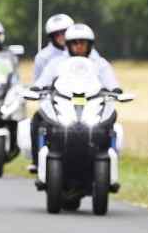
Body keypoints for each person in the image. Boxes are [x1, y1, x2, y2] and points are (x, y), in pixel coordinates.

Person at [30, 24, 119, 172]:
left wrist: (115, 89)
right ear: (68, 45)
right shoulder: (57, 62)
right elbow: (43, 80)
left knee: (110, 122)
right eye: (74, 43)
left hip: (92, 105)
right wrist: (37, 88)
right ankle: (37, 161)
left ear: (89, 45)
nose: (78, 46)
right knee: (38, 120)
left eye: (82, 43)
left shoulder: (99, 63)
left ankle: (108, 160)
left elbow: (110, 81)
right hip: (64, 105)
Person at [33, 14, 74, 83]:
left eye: (64, 32)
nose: (61, 36)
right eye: (57, 34)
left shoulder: (84, 51)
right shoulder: (42, 56)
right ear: (52, 37)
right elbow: (38, 85)